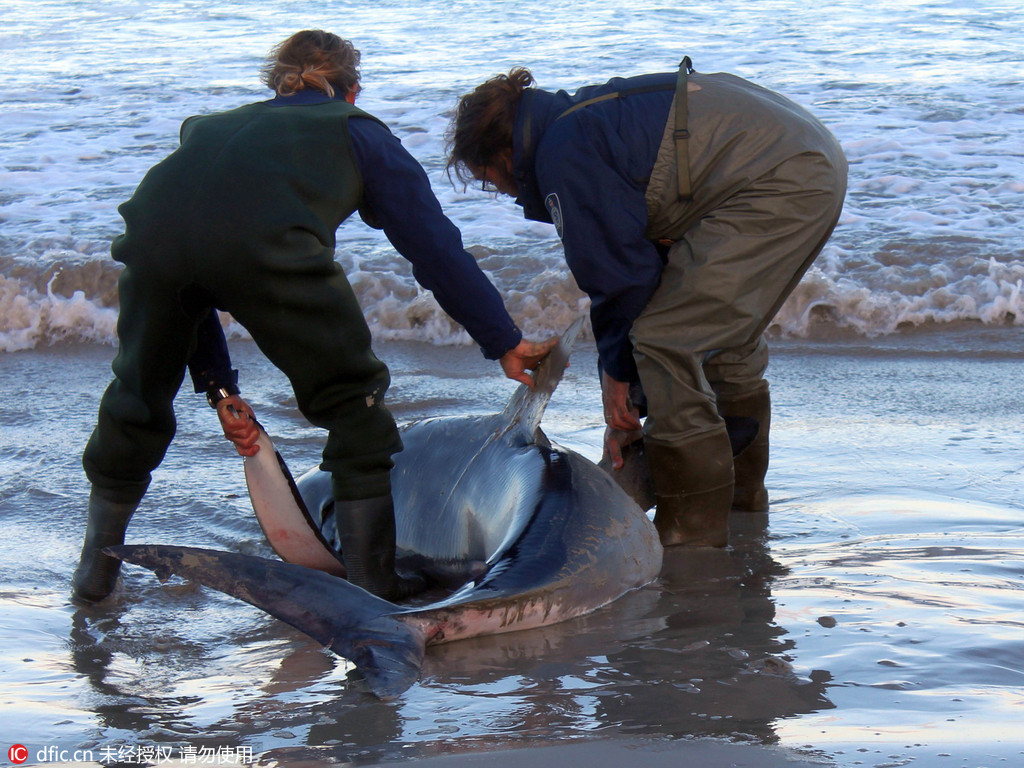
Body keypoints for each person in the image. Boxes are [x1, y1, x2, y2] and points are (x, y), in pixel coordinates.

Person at [72, 30, 555, 605]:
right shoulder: (358, 131)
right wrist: (502, 340)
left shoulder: (207, 128)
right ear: (353, 92)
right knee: (355, 407)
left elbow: (191, 256)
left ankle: (94, 573)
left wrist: (217, 386)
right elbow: (433, 250)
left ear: (274, 87)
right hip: (265, 245)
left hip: (149, 238)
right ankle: (375, 584)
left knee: (137, 402)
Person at [447, 59, 847, 548]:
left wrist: (617, 381)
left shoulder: (563, 151)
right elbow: (645, 269)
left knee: (665, 344)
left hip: (773, 179)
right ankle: (742, 508)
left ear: (502, 154)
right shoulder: (579, 123)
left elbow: (619, 281)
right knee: (721, 344)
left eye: (489, 179)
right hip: (804, 158)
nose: (504, 194)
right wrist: (632, 400)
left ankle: (690, 538)